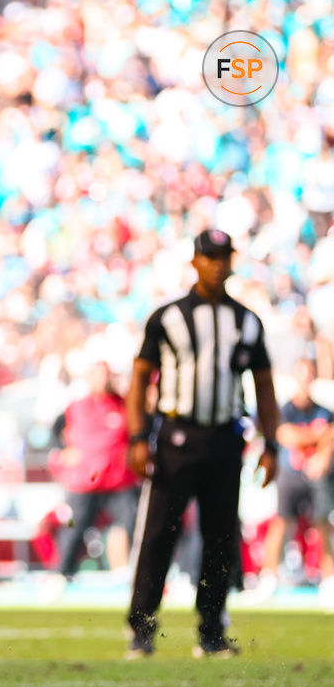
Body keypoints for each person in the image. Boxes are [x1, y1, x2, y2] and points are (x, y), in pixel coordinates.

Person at [125, 229, 280, 659]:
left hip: (225, 440)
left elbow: (264, 386)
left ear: (231, 261)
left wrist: (272, 443)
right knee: (159, 534)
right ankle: (141, 628)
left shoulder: (247, 320)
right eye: (209, 257)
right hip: (176, 437)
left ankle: (211, 629)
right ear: (195, 262)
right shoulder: (168, 316)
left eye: (223, 257)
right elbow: (140, 378)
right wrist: (138, 436)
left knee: (220, 538)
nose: (217, 264)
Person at [49, 359, 140, 582]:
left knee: (131, 523)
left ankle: (124, 571)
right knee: (75, 526)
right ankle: (62, 572)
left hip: (118, 479)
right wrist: (62, 451)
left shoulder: (124, 405)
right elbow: (56, 431)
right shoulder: (77, 406)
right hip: (85, 479)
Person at [255, 358, 334, 599]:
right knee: (280, 523)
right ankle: (268, 577)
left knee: (322, 524)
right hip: (290, 474)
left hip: (317, 476)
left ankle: (328, 578)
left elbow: (330, 438)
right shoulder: (286, 410)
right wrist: (316, 435)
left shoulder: (324, 411)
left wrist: (322, 454)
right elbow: (285, 435)